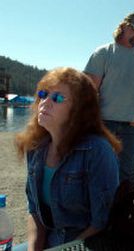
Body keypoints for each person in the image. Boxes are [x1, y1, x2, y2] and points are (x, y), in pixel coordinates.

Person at [15, 67, 121, 249]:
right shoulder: (35, 146)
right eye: (43, 94)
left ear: (79, 110)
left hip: (85, 244)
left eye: (57, 98)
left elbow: (101, 222)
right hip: (49, 239)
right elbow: (34, 210)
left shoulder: (97, 151)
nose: (45, 103)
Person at [84, 12, 134, 184]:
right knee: (98, 171)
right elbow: (88, 90)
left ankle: (126, 210)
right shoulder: (103, 53)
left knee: (127, 174)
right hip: (103, 124)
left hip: (129, 127)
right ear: (123, 26)